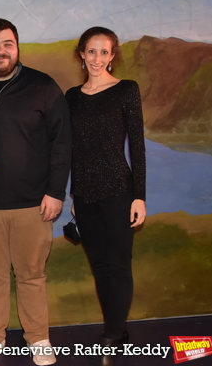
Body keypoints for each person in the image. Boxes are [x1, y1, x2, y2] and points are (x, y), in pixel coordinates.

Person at [0, 18, 71, 366]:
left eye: (7, 43)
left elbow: (62, 143)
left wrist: (55, 192)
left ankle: (38, 339)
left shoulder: (43, 86)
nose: (0, 51)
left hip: (33, 204)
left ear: (17, 47)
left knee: (32, 274)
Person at [66, 26, 146, 366]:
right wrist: (72, 193)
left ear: (112, 56)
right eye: (91, 51)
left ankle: (111, 335)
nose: (97, 58)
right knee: (99, 266)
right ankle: (117, 328)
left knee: (118, 264)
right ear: (82, 54)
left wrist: (139, 196)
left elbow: (138, 147)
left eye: (104, 51)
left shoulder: (126, 90)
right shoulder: (71, 97)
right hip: (84, 194)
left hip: (118, 191)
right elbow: (70, 150)